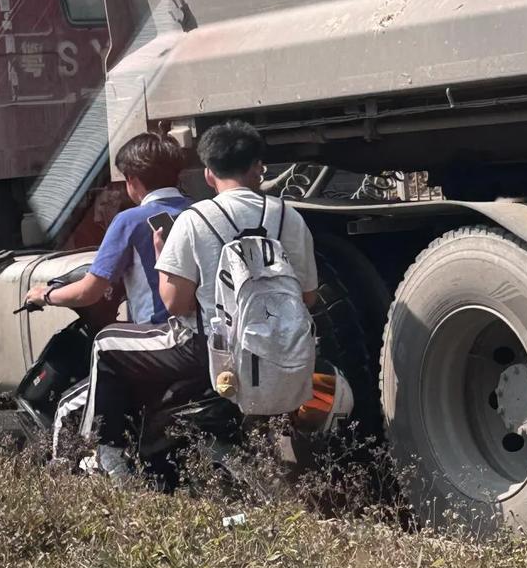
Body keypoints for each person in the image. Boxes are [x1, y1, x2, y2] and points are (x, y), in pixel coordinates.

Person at [85, 119, 320, 471]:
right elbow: (308, 297)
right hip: (280, 347)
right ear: (259, 167)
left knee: (106, 344)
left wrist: (164, 254)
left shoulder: (194, 220)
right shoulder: (289, 218)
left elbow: (175, 304)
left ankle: (108, 457)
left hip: (206, 349)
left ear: (208, 173)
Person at [23, 132, 190, 468]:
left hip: (157, 340)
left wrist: (46, 294)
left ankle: (91, 472)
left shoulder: (129, 221)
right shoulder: (198, 211)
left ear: (132, 181)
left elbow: (90, 290)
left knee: (69, 405)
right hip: (206, 338)